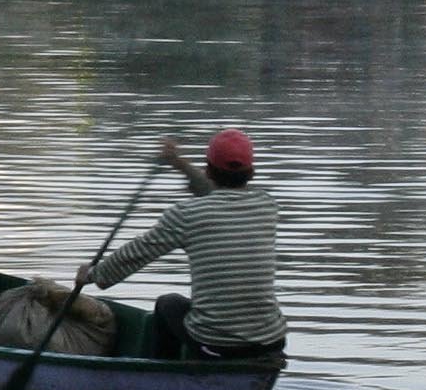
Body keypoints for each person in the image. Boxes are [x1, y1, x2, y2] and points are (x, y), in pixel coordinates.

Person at [72, 130, 285, 367]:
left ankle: (160, 381)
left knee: (168, 304)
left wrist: (92, 274)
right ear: (251, 172)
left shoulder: (186, 216)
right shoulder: (267, 207)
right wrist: (178, 162)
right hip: (271, 342)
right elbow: (219, 195)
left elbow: (137, 253)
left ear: (208, 169)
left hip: (216, 346)